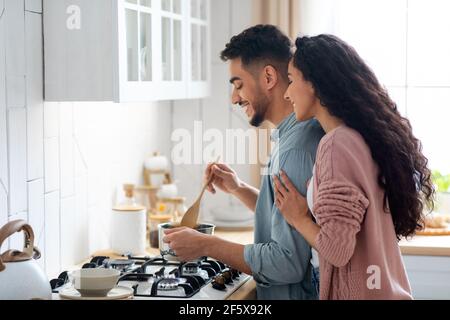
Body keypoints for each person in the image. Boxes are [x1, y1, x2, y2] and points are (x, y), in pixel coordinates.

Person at [163, 25, 324, 300]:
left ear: (269, 77)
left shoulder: (294, 150)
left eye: (238, 84)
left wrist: (206, 244)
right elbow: (286, 217)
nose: (234, 98)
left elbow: (287, 263)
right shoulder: (292, 137)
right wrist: (238, 188)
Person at [273, 34, 434, 299]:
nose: (287, 93)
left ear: (314, 82)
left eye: (291, 80)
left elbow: (337, 251)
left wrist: (298, 217)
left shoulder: (336, 144)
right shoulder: (360, 137)